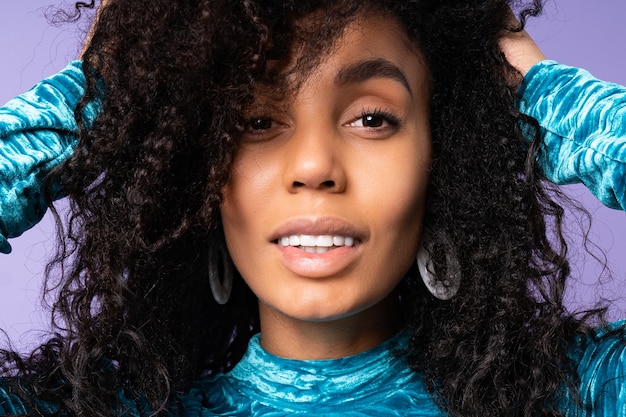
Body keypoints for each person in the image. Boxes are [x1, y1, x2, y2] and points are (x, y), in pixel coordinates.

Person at [0, 0, 625, 416]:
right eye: (258, 120)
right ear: (198, 166)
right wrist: (105, 97)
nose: (313, 167)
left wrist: (541, 94)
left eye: (373, 118)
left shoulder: (582, 396)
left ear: (449, 152)